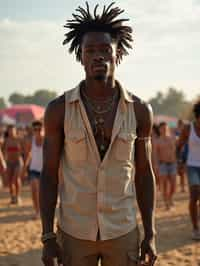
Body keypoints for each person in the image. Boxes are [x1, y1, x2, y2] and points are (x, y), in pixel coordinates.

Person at [40, 3, 157, 266]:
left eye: (105, 49)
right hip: (74, 232)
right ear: (80, 56)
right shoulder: (58, 110)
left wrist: (150, 232)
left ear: (118, 53)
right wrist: (48, 236)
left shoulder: (140, 111)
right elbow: (48, 175)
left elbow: (143, 172)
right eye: (89, 50)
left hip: (122, 230)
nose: (98, 56)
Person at [178, 100, 200, 240]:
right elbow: (179, 145)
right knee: (195, 194)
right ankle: (195, 228)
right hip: (192, 166)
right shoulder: (188, 128)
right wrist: (179, 162)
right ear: (197, 116)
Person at [23, 120, 44, 219]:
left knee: (40, 192)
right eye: (35, 129)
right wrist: (24, 169)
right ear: (33, 130)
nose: (37, 131)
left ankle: (41, 210)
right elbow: (28, 155)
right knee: (34, 190)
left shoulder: (46, 140)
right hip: (33, 169)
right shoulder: (30, 141)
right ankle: (37, 211)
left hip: (44, 170)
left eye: (39, 129)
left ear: (42, 129)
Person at [156, 122, 177, 210]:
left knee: (173, 184)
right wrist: (156, 165)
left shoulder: (173, 138)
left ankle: (170, 197)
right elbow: (155, 154)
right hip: (162, 164)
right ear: (159, 129)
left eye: (165, 128)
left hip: (172, 163)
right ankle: (166, 203)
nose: (164, 130)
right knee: (164, 185)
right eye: (162, 128)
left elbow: (178, 150)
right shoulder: (157, 141)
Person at [3, 125, 24, 204]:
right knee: (10, 181)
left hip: (18, 162)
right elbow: (3, 151)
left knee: (15, 179)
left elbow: (25, 151)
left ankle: (18, 196)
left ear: (15, 131)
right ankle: (12, 196)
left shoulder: (20, 140)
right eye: (10, 131)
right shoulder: (6, 140)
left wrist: (25, 164)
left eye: (13, 130)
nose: (11, 132)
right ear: (8, 131)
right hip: (9, 162)